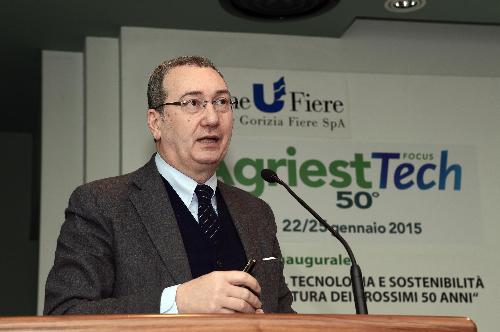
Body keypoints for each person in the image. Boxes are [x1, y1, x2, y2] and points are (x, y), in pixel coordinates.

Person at [44, 55, 294, 314]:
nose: (212, 118)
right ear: (156, 122)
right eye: (192, 103)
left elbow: (284, 314)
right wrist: (177, 301)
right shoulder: (102, 204)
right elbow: (65, 313)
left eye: (221, 102)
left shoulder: (256, 212)